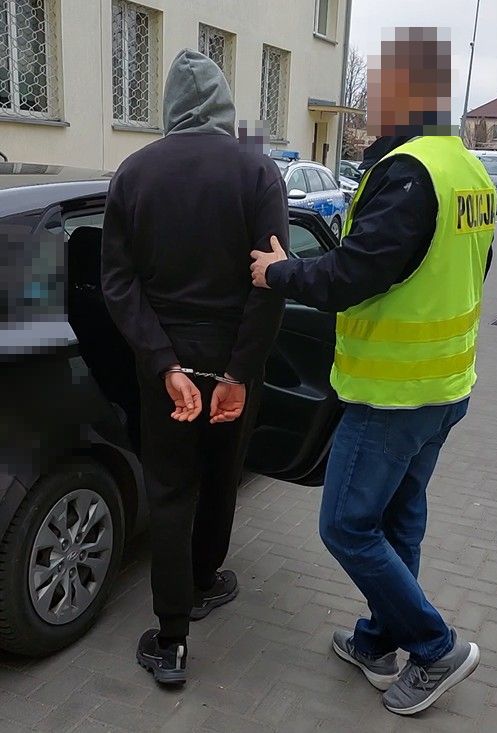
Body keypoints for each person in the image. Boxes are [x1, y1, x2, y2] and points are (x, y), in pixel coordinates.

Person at [251, 28, 496, 716]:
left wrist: (280, 273)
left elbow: (352, 274)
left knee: (346, 526)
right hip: (445, 388)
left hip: (394, 394)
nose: (372, 104)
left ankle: (434, 647)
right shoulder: (467, 169)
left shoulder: (411, 172)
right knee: (397, 520)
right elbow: (471, 270)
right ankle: (378, 642)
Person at [101, 50, 288, 685]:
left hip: (167, 368)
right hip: (233, 359)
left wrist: (163, 364)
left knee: (170, 490)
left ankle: (172, 639)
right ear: (224, 104)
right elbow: (272, 284)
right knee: (221, 476)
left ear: (170, 107)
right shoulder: (258, 170)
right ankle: (206, 580)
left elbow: (117, 283)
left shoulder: (134, 172)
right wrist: (239, 372)